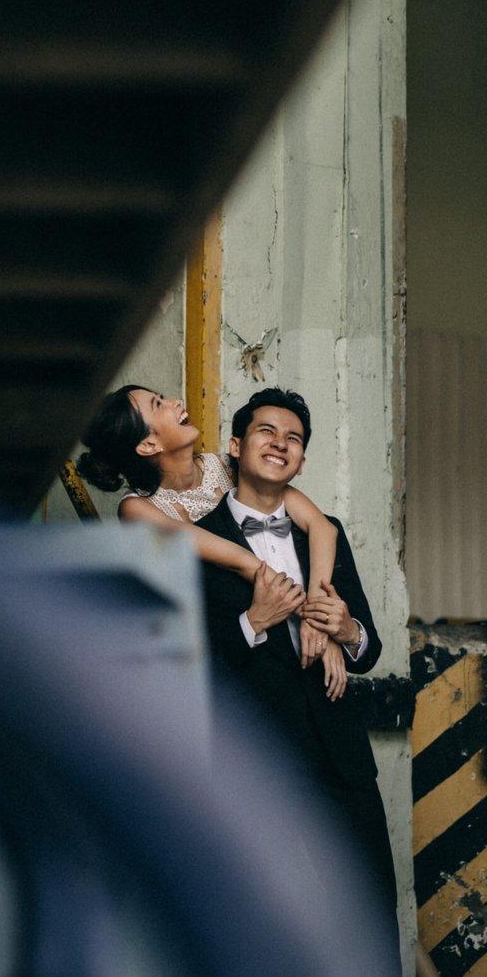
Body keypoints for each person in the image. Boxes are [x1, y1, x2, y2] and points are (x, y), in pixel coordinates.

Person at [193, 386, 400, 972]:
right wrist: (253, 622)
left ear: (301, 460)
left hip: (341, 760)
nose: (280, 443)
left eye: (294, 439)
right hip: (256, 768)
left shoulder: (322, 532)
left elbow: (368, 648)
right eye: (266, 431)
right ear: (236, 446)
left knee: (365, 917)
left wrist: (348, 628)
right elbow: (191, 665)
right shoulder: (194, 537)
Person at [78, 384, 348, 698]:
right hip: (216, 666)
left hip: (288, 651)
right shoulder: (138, 509)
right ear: (148, 443)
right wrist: (311, 619)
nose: (176, 402)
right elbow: (242, 561)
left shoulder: (228, 465)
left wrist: (322, 626)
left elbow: (323, 528)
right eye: (158, 404)